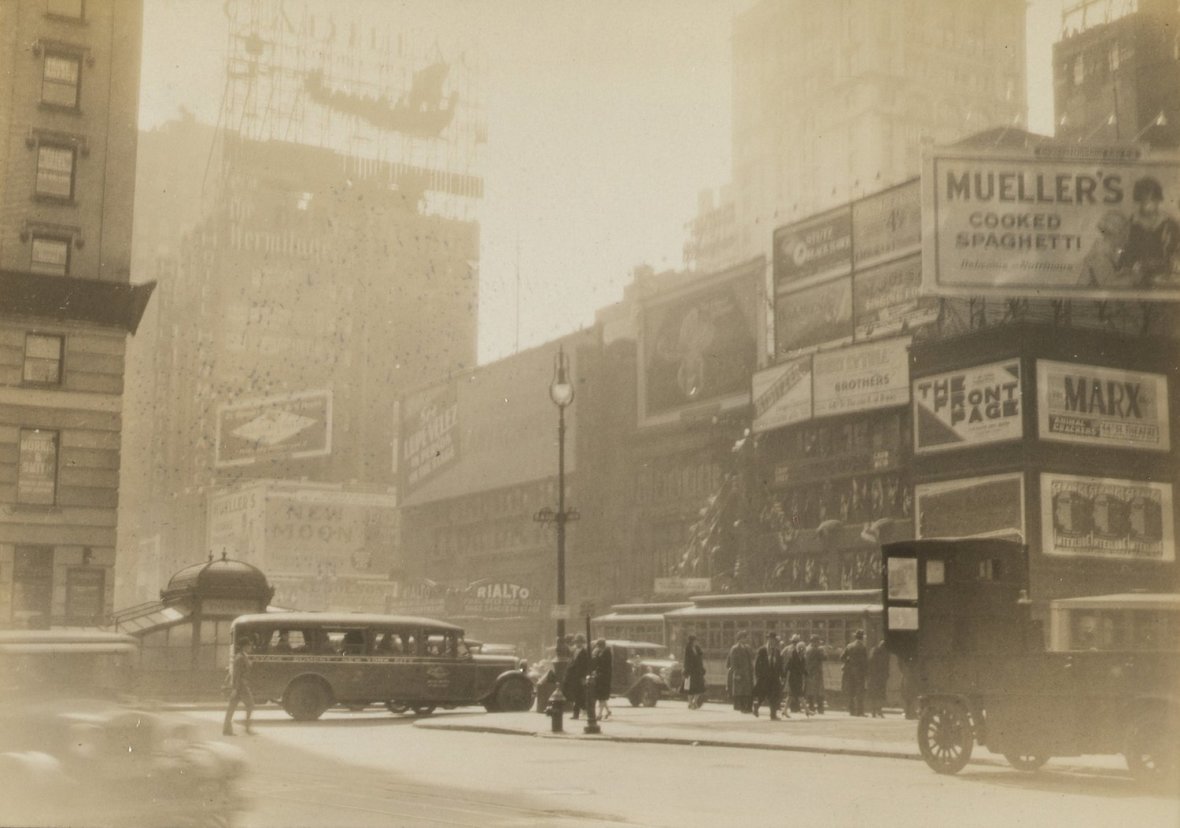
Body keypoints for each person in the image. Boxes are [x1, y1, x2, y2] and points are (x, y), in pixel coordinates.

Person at [1120, 176, 1180, 285]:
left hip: (1163, 275)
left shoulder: (1169, 223)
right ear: (1139, 200)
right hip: (1136, 275)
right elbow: (1123, 251)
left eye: (1152, 199)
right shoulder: (1132, 223)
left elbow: (1174, 252)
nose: (1148, 204)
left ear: (1158, 200)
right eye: (1144, 200)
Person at [1078, 210, 1131, 287]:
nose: (1126, 237)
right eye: (1124, 232)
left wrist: (1124, 273)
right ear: (1116, 233)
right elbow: (1107, 286)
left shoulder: (1107, 252)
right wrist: (1133, 277)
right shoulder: (1100, 254)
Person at [222, 637, 256, 736]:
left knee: (231, 707)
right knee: (250, 705)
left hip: (240, 685)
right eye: (249, 645)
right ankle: (247, 728)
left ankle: (227, 729)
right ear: (245, 647)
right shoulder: (240, 658)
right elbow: (237, 674)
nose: (250, 647)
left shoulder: (242, 656)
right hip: (241, 686)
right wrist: (235, 689)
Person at [753, 632, 785, 720]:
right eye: (771, 639)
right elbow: (757, 664)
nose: (772, 642)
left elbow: (780, 665)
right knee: (762, 694)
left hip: (774, 677)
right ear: (768, 640)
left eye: (774, 640)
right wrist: (757, 675)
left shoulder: (777, 651)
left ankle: (773, 715)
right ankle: (756, 706)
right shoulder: (762, 650)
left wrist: (782, 675)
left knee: (774, 696)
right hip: (764, 677)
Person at [841, 629, 869, 717]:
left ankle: (851, 710)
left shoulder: (849, 646)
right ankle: (859, 711)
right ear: (862, 638)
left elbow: (842, 657)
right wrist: (866, 672)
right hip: (859, 672)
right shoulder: (863, 647)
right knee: (860, 691)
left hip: (849, 671)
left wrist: (848, 661)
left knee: (851, 691)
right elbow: (865, 661)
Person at [562, 634, 590, 719]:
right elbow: (571, 662)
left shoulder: (584, 652)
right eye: (577, 642)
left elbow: (586, 666)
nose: (578, 644)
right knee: (575, 694)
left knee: (578, 694)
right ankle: (584, 708)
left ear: (583, 643)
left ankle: (576, 713)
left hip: (580, 676)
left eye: (580, 642)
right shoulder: (574, 651)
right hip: (572, 676)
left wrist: (584, 677)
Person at [725, 631, 754, 713]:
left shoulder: (747, 647)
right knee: (741, 691)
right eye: (744, 638)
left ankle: (747, 707)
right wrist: (736, 673)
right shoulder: (735, 648)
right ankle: (742, 707)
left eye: (746, 637)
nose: (746, 639)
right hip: (740, 673)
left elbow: (750, 658)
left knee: (747, 691)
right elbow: (733, 662)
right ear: (740, 638)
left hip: (747, 673)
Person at [867, 639, 890, 718]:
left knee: (874, 694)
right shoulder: (885, 653)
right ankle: (878, 710)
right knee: (880, 694)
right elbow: (886, 665)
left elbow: (870, 663)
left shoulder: (873, 650)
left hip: (874, 676)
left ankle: (874, 711)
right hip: (880, 676)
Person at [683, 635, 707, 709]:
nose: (696, 642)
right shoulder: (688, 648)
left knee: (700, 688)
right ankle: (690, 703)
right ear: (692, 641)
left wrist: (702, 668)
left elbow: (700, 659)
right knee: (690, 688)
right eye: (695, 640)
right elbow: (686, 660)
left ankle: (695, 702)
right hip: (690, 671)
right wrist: (686, 670)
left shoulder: (697, 648)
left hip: (698, 671)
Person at [784, 634, 806, 714]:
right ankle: (796, 708)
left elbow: (781, 656)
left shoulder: (787, 648)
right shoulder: (796, 650)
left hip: (790, 674)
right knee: (795, 693)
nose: (795, 643)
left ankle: (789, 709)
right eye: (794, 641)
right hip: (793, 675)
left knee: (792, 693)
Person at [592, 639, 613, 720]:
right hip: (601, 676)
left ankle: (600, 714)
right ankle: (608, 711)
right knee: (601, 696)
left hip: (604, 677)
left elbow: (604, 665)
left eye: (598, 646)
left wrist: (598, 671)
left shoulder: (606, 653)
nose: (598, 647)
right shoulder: (601, 652)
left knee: (602, 696)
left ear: (601, 645)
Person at [804, 635, 826, 715]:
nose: (818, 644)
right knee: (819, 690)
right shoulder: (816, 650)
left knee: (810, 690)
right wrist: (823, 650)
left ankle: (811, 706)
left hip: (809, 672)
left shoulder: (807, 649)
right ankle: (820, 708)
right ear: (814, 642)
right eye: (817, 642)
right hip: (816, 672)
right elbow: (824, 657)